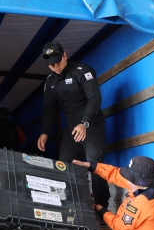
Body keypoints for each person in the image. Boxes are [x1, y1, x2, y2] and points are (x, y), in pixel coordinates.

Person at [38, 41, 110, 210]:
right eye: (51, 65)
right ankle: (69, 206)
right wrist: (45, 132)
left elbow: (95, 99)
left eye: (58, 62)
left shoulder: (82, 71)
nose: (55, 67)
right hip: (72, 130)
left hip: (91, 126)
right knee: (63, 166)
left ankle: (102, 208)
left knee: (95, 165)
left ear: (65, 55)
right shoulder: (50, 81)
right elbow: (49, 109)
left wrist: (84, 123)